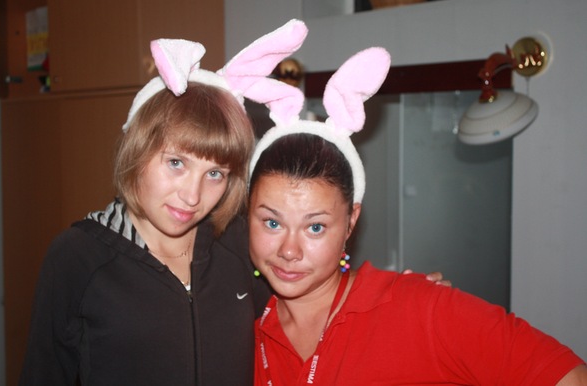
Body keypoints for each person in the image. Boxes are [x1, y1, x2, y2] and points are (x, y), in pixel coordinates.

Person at [247, 47, 587, 385]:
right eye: (272, 223)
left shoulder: (421, 309)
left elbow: (570, 377)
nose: (289, 251)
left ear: (351, 222)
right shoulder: (240, 326)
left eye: (315, 227)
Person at [18, 20, 309, 386]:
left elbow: (300, 314)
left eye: (215, 174)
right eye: (176, 163)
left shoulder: (239, 242)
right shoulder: (78, 257)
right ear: (137, 150)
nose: (192, 196)